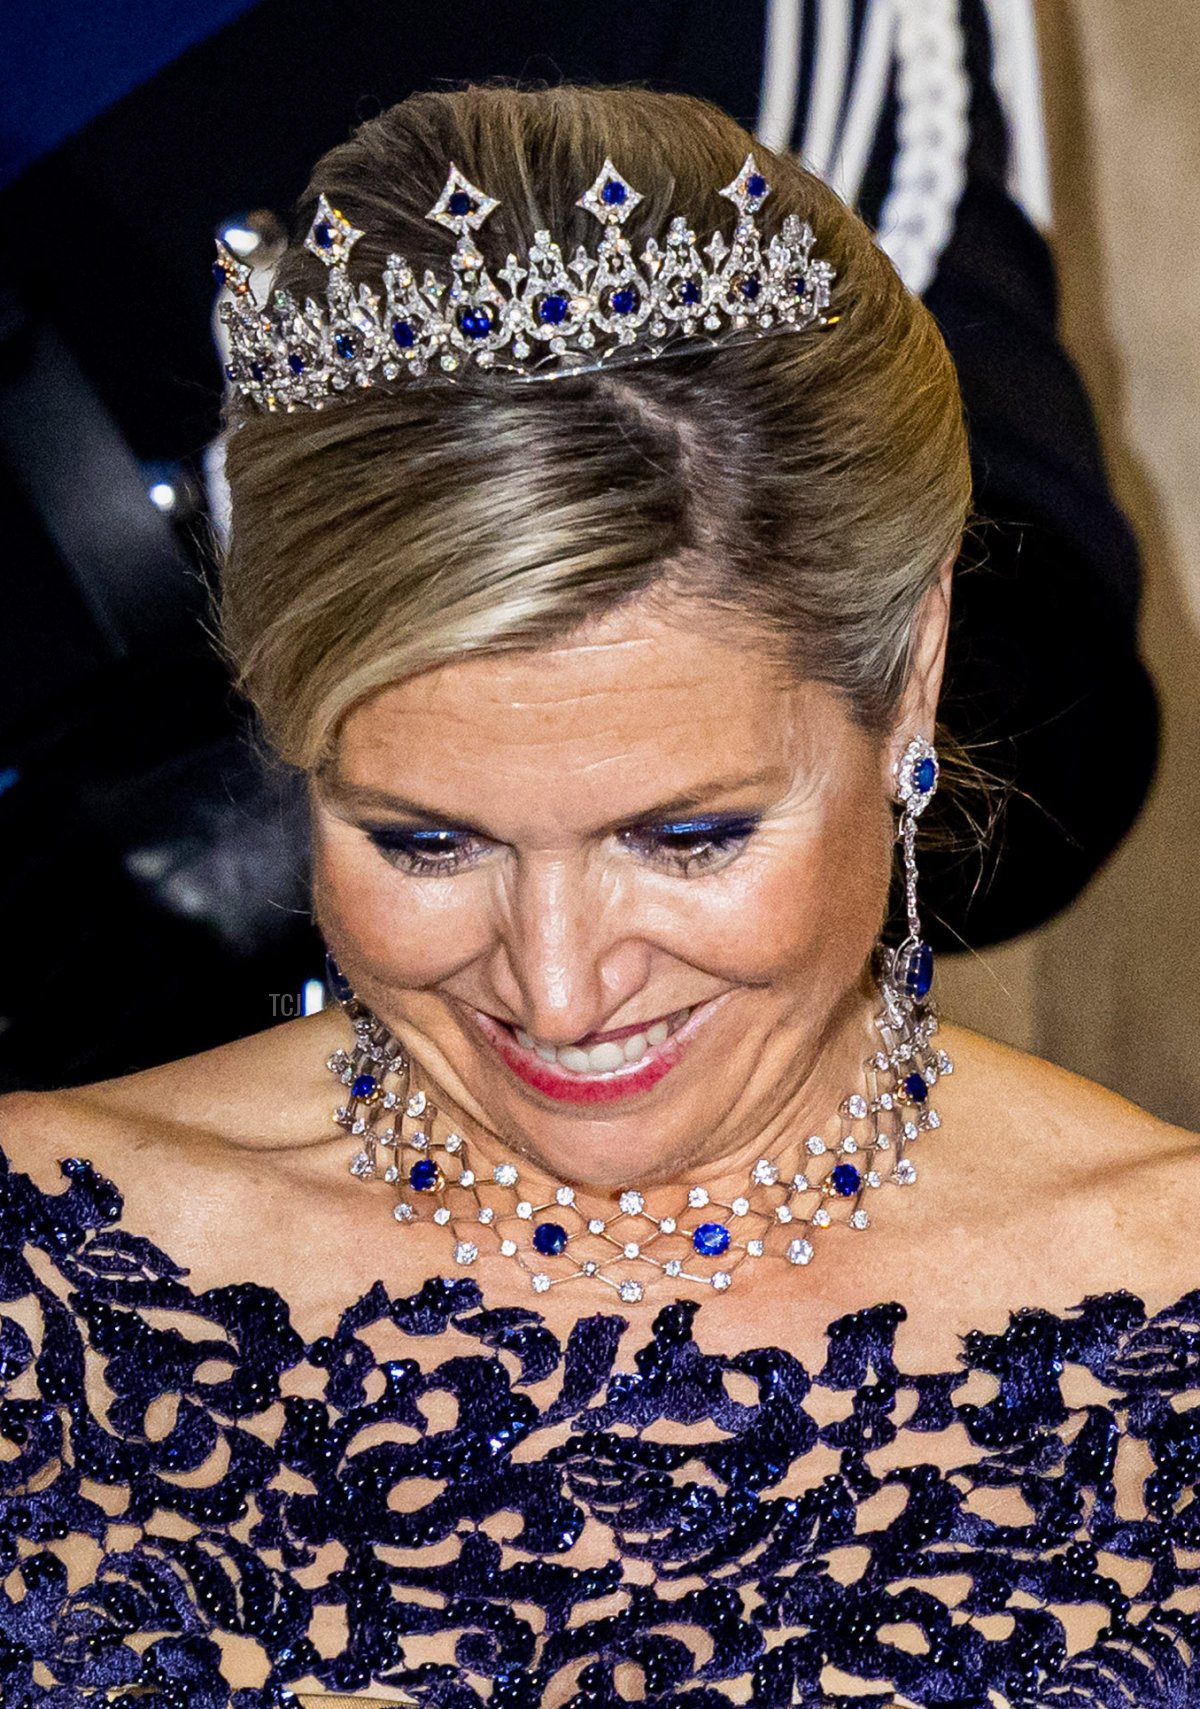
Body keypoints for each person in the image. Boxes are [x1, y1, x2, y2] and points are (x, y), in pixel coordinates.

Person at [0, 85, 1193, 1709]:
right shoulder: (37, 1270)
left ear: (909, 676)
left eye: (685, 835)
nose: (556, 989)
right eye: (427, 843)